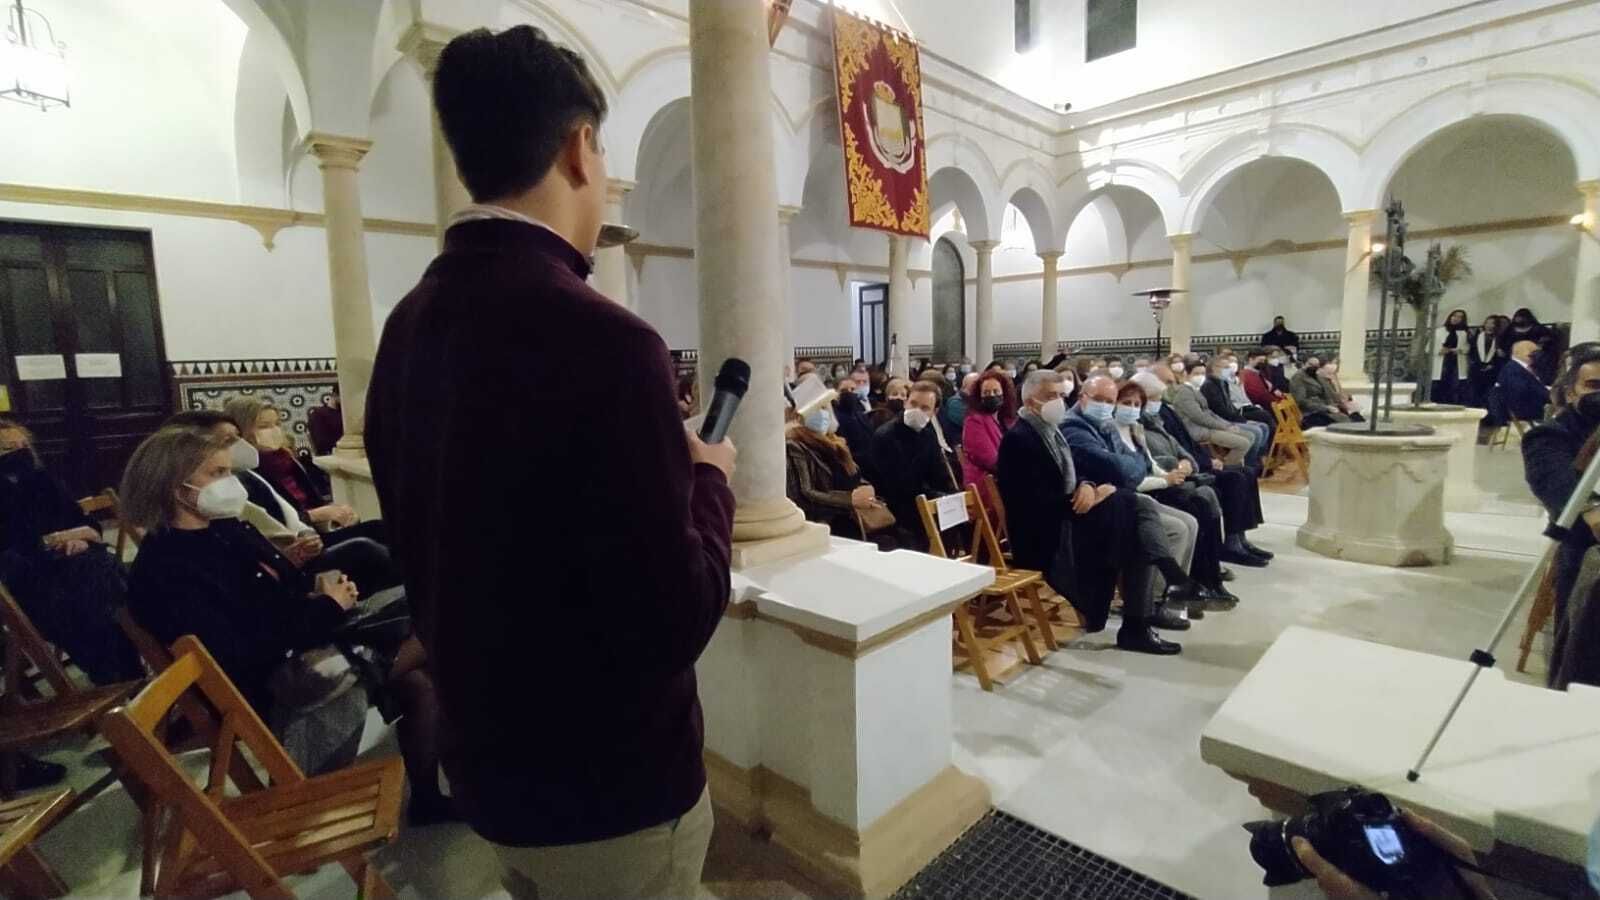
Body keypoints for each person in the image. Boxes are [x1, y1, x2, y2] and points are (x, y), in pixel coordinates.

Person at [364, 26, 734, 896]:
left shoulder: (408, 323)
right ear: (579, 148)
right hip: (612, 791)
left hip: (489, 769)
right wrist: (710, 477)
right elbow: (678, 613)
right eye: (603, 152)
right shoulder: (608, 342)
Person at [119, 427, 449, 821]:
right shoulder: (166, 568)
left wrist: (320, 589)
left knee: (422, 669)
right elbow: (244, 648)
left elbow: (282, 589)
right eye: (217, 473)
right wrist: (327, 607)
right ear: (178, 487)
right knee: (437, 630)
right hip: (274, 683)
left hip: (302, 643)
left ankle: (429, 798)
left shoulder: (225, 528)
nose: (230, 482)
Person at [995, 371, 1187, 655]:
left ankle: (1141, 619)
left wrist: (1087, 485)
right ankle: (1147, 610)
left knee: (1134, 522)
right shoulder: (1020, 439)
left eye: (1061, 396)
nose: (1059, 402)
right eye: (1051, 396)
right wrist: (1096, 494)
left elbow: (1072, 474)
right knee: (1133, 514)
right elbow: (1034, 504)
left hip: (1067, 518)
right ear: (1030, 399)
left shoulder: (1049, 430)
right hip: (1045, 536)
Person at [165, 410, 400, 594]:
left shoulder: (256, 469)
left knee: (381, 529)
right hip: (296, 561)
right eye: (227, 440)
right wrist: (330, 604)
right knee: (365, 550)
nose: (235, 446)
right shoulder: (213, 508)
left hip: (297, 550)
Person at [1060, 378, 1230, 625]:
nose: (1107, 406)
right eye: (1101, 400)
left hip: (1121, 493)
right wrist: (1119, 475)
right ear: (1082, 397)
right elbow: (1118, 468)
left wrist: (1127, 472)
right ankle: (1155, 599)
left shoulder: (1105, 423)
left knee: (1190, 520)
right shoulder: (1075, 426)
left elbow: (1136, 465)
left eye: (1110, 401)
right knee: (1172, 525)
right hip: (1099, 507)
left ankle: (1176, 590)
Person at [0, 418, 140, 686]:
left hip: (80, 567)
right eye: (8, 449)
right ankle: (125, 670)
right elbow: (16, 549)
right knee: (101, 585)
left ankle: (123, 671)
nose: (20, 453)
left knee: (101, 576)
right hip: (35, 585)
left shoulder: (44, 482)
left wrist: (79, 540)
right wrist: (61, 540)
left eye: (24, 445)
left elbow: (91, 528)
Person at [1135, 371, 1273, 566]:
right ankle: (1229, 546)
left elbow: (1183, 444)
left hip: (1191, 464)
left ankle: (1239, 537)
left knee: (1246, 473)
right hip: (1174, 474)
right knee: (1233, 480)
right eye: (1155, 397)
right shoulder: (1141, 420)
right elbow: (1160, 455)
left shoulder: (1163, 412)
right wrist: (1200, 464)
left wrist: (1201, 460)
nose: (1161, 397)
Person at [1523, 347, 1600, 688]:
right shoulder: (1551, 435)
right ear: (1571, 392)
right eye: (1593, 385)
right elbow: (1559, 486)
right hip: (1587, 557)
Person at [223, 396, 358, 532]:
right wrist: (316, 515)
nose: (274, 430)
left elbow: (312, 500)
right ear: (240, 431)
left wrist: (335, 512)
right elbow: (270, 521)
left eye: (276, 424)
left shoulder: (286, 458)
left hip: (315, 530)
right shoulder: (242, 472)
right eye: (263, 426)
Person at [785, 379, 883, 539]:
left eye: (825, 408)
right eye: (818, 408)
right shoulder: (794, 445)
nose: (823, 414)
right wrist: (848, 500)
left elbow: (851, 473)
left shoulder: (834, 441)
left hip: (850, 518)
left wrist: (866, 487)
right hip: (826, 523)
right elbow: (804, 493)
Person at [869, 381, 957, 552]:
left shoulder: (928, 434)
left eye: (925, 408)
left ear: (934, 412)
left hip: (924, 504)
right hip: (897, 513)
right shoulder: (886, 436)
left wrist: (951, 496)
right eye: (913, 404)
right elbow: (900, 484)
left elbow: (939, 472)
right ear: (906, 402)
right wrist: (938, 498)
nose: (917, 411)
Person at [1168, 361, 1255, 465]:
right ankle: (1227, 469)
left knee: (1250, 435)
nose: (1200, 376)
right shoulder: (1184, 393)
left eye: (1202, 373)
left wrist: (1227, 425)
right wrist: (1223, 427)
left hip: (1208, 427)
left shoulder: (1194, 390)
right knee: (1243, 444)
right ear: (1186, 374)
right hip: (1199, 431)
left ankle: (1241, 467)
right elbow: (1199, 417)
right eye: (1196, 373)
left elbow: (1209, 413)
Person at [1197, 354, 1271, 469]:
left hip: (1230, 418)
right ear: (1214, 368)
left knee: (1264, 426)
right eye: (1225, 367)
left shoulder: (1223, 383)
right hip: (1221, 421)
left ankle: (1257, 459)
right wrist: (1240, 420)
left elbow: (1229, 405)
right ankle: (1249, 464)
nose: (1228, 370)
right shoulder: (1209, 385)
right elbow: (1219, 410)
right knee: (1256, 431)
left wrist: (1240, 417)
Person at [960, 371, 1017, 511]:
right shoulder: (974, 421)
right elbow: (990, 460)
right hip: (987, 485)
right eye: (986, 392)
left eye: (995, 391)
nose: (991, 395)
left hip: (1004, 480)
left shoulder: (1007, 420)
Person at [1486, 340, 1552, 429]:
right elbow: (1523, 391)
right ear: (1518, 353)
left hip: (1532, 405)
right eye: (1532, 351)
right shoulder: (1512, 370)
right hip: (1524, 410)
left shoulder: (1524, 368)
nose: (1536, 354)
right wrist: (1548, 394)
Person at [1291, 357, 1357, 427]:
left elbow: (1329, 392)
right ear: (1304, 364)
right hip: (1310, 412)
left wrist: (1340, 402)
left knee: (1353, 417)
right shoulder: (1298, 378)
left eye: (1316, 366)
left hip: (1325, 408)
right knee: (1344, 422)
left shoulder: (1316, 376)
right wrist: (1326, 408)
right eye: (1310, 364)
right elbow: (1301, 401)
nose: (1313, 367)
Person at [1501, 307, 1557, 385]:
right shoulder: (1510, 330)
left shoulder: (1540, 330)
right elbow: (1503, 344)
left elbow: (1548, 345)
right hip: (1514, 361)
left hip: (1534, 363)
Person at [1432, 308, 1472, 404]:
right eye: (1454, 316)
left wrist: (1459, 350)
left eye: (1460, 317)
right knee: (1439, 388)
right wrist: (1439, 350)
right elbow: (1429, 347)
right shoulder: (1439, 331)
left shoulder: (1464, 333)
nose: (1456, 318)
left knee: (1455, 388)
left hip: (1456, 363)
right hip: (1442, 362)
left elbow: (1468, 347)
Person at [1469, 314, 1508, 407]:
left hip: (1492, 370)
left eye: (1493, 323)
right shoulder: (1477, 336)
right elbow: (1472, 352)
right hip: (1477, 368)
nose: (1490, 325)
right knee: (1475, 393)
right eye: (1488, 322)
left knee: (1489, 394)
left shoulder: (1500, 338)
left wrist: (1492, 364)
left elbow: (1502, 356)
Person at [307, 386, 344, 456]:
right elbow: (321, 443)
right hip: (331, 454)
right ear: (335, 395)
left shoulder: (344, 414)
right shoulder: (318, 414)